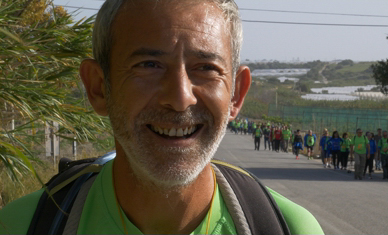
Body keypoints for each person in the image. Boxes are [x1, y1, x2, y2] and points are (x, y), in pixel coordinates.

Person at [0, 0, 323, 233]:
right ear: (99, 87)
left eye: (206, 68)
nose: (180, 98)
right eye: (149, 66)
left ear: (236, 94)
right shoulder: (24, 225)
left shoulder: (286, 227)